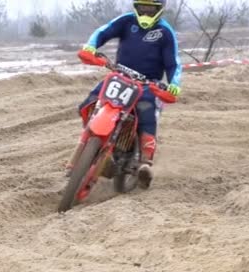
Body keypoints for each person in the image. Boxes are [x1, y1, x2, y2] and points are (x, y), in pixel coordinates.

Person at [74, 0, 182, 189]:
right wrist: (91, 47)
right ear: (136, 7)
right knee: (91, 100)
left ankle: (145, 164)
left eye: (151, 10)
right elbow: (103, 32)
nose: (146, 14)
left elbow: (173, 63)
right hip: (119, 76)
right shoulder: (126, 21)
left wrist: (174, 84)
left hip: (149, 84)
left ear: (159, 9)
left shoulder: (165, 33)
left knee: (147, 112)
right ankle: (92, 142)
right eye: (143, 8)